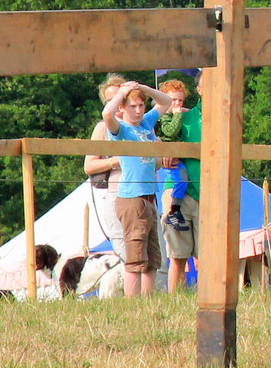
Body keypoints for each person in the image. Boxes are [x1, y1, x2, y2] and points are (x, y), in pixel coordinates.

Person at [100, 78, 173, 297]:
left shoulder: (147, 124)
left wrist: (145, 90)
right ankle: (134, 302)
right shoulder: (120, 128)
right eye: (133, 106)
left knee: (152, 257)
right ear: (123, 108)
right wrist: (122, 94)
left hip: (150, 197)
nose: (139, 110)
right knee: (135, 257)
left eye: (141, 105)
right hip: (132, 198)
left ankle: (147, 301)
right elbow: (107, 115)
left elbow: (166, 102)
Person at [151, 73, 200, 294]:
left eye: (180, 100)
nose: (177, 104)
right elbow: (157, 141)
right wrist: (166, 155)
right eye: (172, 100)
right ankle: (176, 299)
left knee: (206, 256)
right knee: (177, 255)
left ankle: (206, 297)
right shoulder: (161, 118)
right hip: (174, 184)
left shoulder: (193, 117)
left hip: (203, 191)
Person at [83, 75, 130, 259]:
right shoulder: (103, 128)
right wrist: (116, 160)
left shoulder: (142, 124)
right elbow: (89, 166)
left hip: (144, 193)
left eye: (120, 98)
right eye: (110, 101)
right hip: (116, 194)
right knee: (125, 253)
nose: (116, 105)